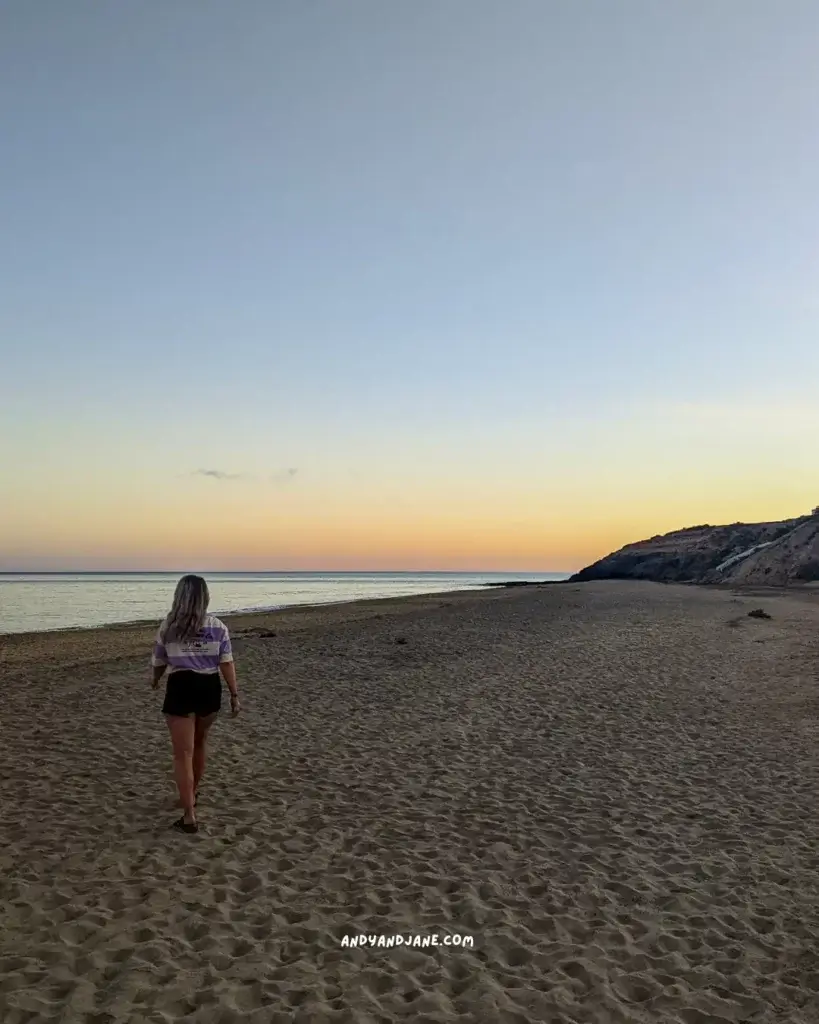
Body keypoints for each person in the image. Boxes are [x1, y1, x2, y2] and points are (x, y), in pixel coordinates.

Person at [150, 574, 240, 833]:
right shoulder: (218, 626)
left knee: (182, 754)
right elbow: (226, 662)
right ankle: (193, 793)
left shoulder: (169, 626)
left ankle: (189, 814)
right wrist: (234, 694)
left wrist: (155, 681)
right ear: (205, 597)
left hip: (180, 686)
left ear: (179, 597)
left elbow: (159, 660)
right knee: (200, 743)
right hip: (208, 688)